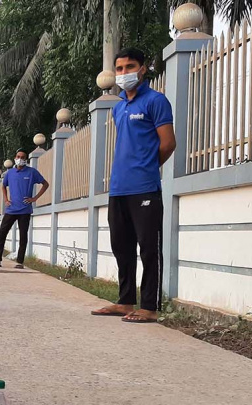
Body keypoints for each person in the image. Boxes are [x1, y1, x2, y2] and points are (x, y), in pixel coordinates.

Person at [91, 48, 176, 323]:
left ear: (142, 69)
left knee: (149, 248)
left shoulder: (156, 101)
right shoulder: (118, 107)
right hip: (119, 188)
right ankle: (126, 301)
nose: (124, 73)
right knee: (121, 247)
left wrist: (148, 167)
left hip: (145, 188)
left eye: (130, 66)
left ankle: (149, 306)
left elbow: (168, 143)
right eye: (119, 68)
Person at [0, 149, 49, 269]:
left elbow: (45, 184)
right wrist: (6, 199)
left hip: (25, 209)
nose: (20, 158)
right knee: (2, 233)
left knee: (23, 235)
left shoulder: (32, 172)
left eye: (23, 157)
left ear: (26, 159)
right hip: (11, 209)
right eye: (18, 156)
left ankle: (20, 262)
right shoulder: (10, 173)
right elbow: (4, 186)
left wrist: (34, 198)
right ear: (15, 158)